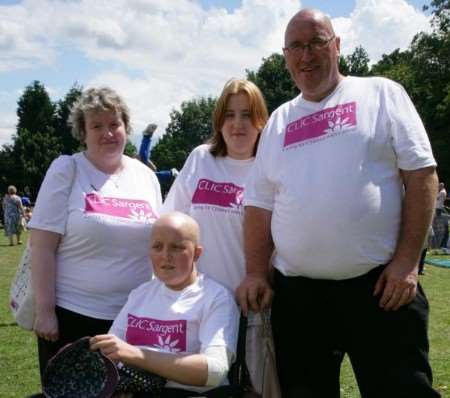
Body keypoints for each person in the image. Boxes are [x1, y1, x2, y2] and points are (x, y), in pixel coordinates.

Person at [237, 9, 441, 398]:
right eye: (295, 46)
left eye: (316, 42)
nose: (306, 55)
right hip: (300, 299)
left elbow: (421, 175)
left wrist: (406, 263)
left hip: (381, 288)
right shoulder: (279, 121)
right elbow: (259, 205)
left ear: (337, 46)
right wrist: (255, 273)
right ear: (285, 56)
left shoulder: (381, 93)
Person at [28, 87, 162, 383]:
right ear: (83, 132)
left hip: (134, 321)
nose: (108, 133)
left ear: (126, 127)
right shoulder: (67, 169)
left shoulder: (146, 177)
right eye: (97, 126)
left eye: (114, 124)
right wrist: (45, 311)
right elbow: (42, 246)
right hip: (75, 318)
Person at [163, 78, 277, 395]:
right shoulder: (201, 159)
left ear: (261, 121)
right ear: (218, 121)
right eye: (229, 114)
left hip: (251, 307)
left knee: (251, 389)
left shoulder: (271, 167)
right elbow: (171, 223)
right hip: (197, 306)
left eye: (246, 114)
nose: (237, 124)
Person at [90, 212, 239, 395]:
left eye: (177, 247)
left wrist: (137, 355)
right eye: (157, 247)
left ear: (196, 254)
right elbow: (112, 352)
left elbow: (214, 371)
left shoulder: (216, 297)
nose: (165, 256)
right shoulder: (140, 294)